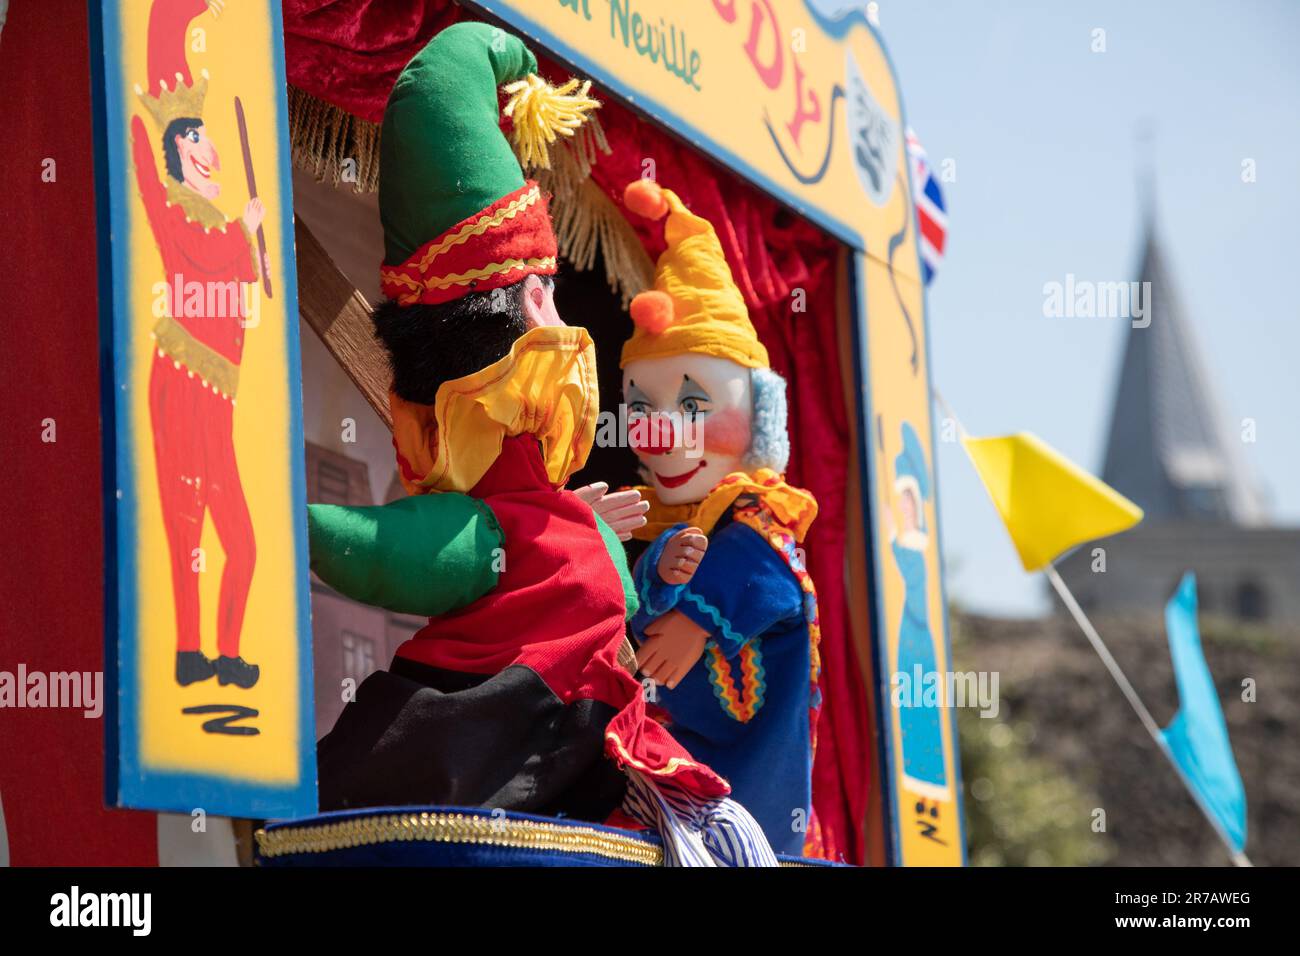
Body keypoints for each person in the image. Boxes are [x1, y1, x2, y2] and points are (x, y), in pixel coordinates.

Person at [307, 23, 776, 866]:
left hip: (583, 752)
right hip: (486, 756)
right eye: (552, 300)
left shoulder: (708, 515)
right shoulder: (484, 527)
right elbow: (395, 552)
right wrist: (292, 520)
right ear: (527, 310)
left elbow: (618, 603)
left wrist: (615, 548)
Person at [617, 178, 825, 857]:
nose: (665, 435)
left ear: (763, 415)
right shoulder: (651, 526)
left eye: (695, 405)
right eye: (643, 409)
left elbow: (769, 571)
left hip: (754, 784)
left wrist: (695, 615)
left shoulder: (765, 521)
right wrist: (661, 568)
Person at [132, 0, 265, 689]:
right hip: (181, 380)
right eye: (194, 141)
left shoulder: (215, 218)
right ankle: (190, 651)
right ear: (173, 152)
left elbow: (237, 271)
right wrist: (244, 230)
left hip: (220, 395)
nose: (210, 151)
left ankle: (222, 651)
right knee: (186, 527)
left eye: (207, 138)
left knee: (238, 540)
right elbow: (210, 255)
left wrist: (246, 232)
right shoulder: (177, 212)